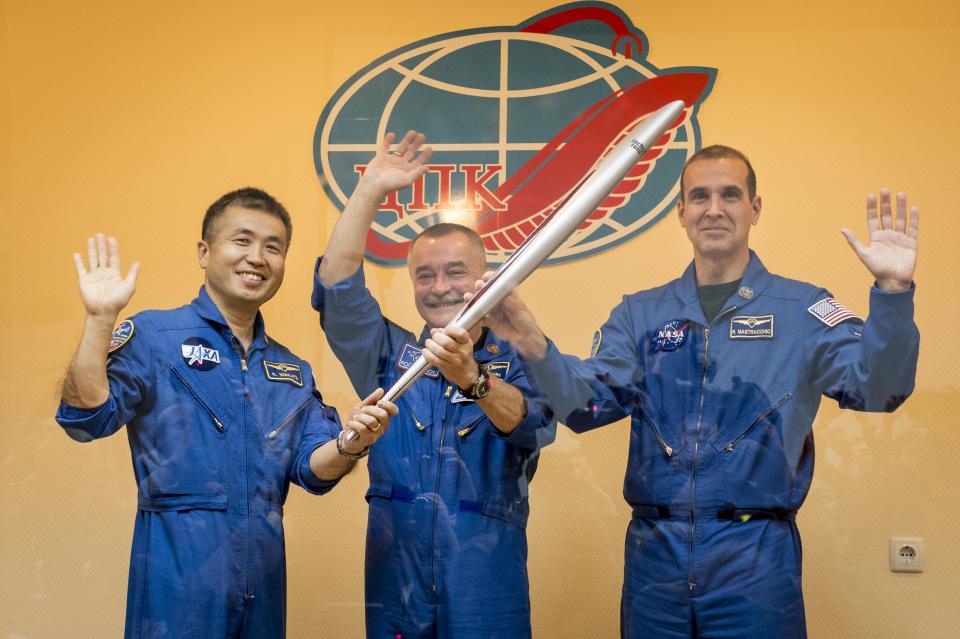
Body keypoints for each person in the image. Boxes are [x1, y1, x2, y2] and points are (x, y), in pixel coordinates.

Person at [476, 145, 921, 638]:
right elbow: (586, 407)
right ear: (681, 212)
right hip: (654, 558)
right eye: (700, 196)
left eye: (731, 195)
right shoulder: (640, 315)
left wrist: (893, 293)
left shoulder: (803, 310)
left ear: (755, 208)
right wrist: (533, 344)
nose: (714, 208)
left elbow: (879, 390)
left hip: (755, 558)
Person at [56, 188, 396, 639]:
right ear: (204, 251)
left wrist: (352, 442)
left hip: (264, 580)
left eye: (273, 247)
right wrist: (99, 321)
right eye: (242, 241)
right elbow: (86, 418)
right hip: (176, 579)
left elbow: (313, 470)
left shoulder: (291, 370)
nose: (257, 257)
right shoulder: (155, 337)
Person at [312, 131, 557, 638]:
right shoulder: (390, 356)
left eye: (454, 272)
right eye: (424, 276)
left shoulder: (521, 354)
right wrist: (369, 192)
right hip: (394, 567)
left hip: (485, 572)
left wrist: (472, 376)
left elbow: (535, 427)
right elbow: (337, 287)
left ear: (483, 277)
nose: (440, 287)